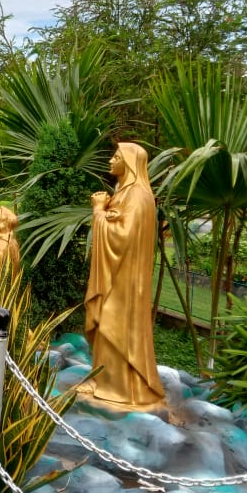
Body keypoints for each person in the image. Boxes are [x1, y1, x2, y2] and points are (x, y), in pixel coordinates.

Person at [84, 142, 165, 408]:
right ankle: (104, 381)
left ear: (129, 163)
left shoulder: (138, 196)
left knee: (114, 326)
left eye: (116, 157)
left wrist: (98, 211)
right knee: (108, 327)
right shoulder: (126, 193)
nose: (110, 160)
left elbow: (122, 237)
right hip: (118, 277)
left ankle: (121, 388)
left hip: (124, 282)